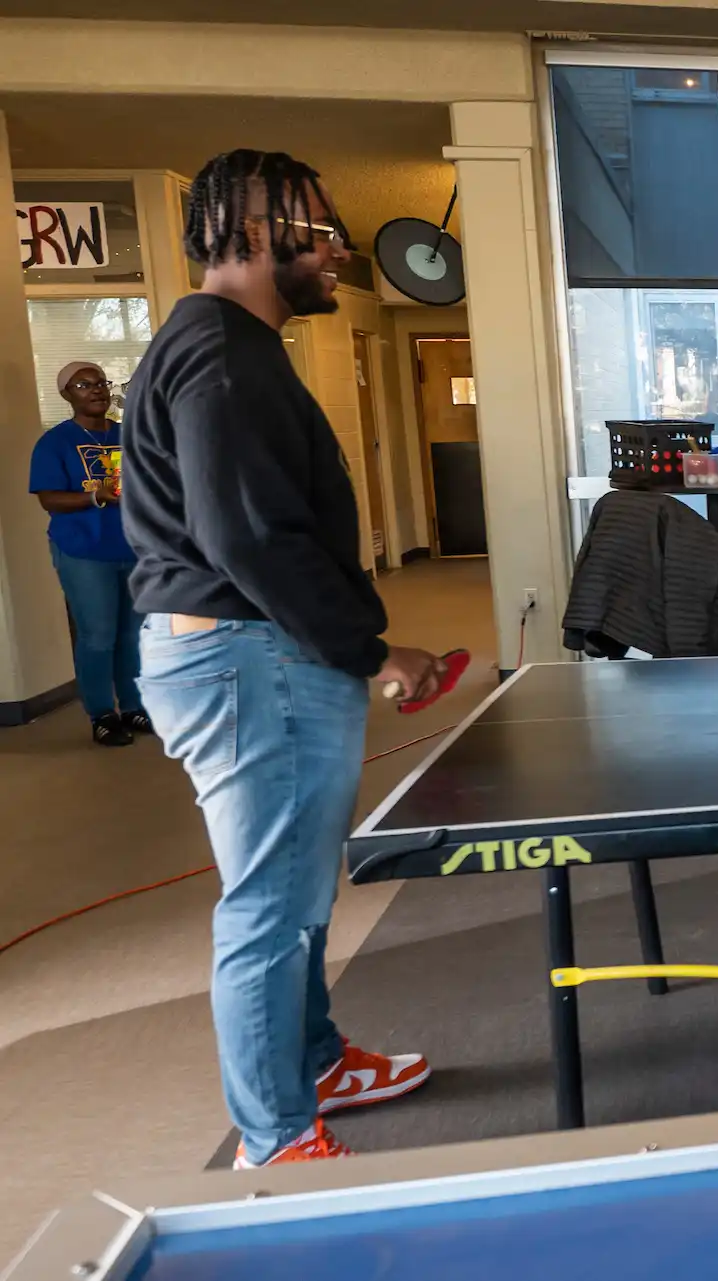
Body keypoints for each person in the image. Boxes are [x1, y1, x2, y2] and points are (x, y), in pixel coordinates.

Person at [123, 150, 450, 1167]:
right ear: (261, 237)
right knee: (269, 904)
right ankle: (274, 1139)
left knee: (299, 892)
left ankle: (313, 1065)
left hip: (259, 653)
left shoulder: (234, 347)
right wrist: (372, 650)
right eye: (321, 229)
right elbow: (249, 537)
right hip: (244, 657)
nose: (340, 249)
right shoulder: (223, 355)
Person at [28, 360, 148, 745]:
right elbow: (49, 498)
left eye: (100, 383)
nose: (95, 390)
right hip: (84, 550)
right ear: (66, 395)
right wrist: (95, 495)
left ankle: (133, 707)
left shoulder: (130, 434)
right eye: (82, 385)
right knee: (98, 635)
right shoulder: (55, 443)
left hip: (134, 547)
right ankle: (102, 714)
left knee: (133, 633)